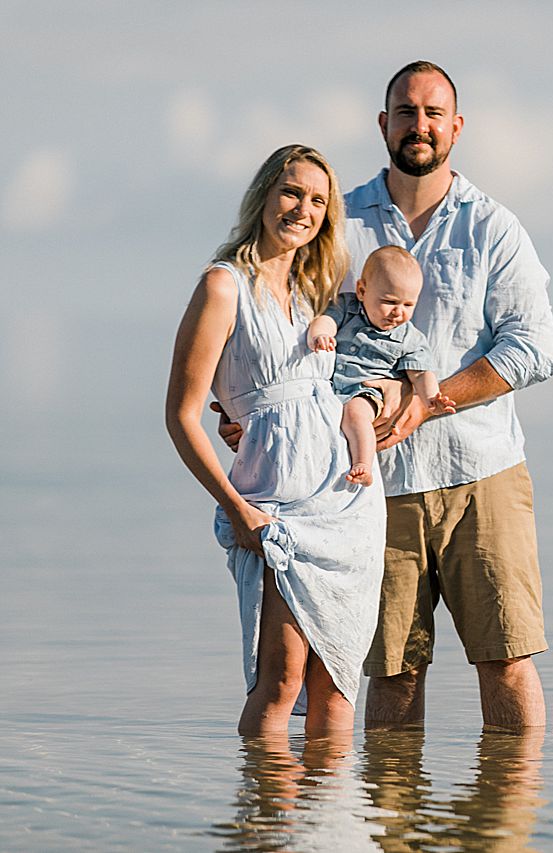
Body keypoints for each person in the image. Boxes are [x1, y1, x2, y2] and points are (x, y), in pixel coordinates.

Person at [347, 59, 553, 731]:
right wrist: (244, 410)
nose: (420, 124)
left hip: (482, 473)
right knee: (392, 669)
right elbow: (297, 332)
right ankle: (392, 831)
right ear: (384, 124)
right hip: (377, 485)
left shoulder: (493, 227)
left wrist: (430, 402)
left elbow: (533, 348)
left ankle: (504, 826)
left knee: (507, 658)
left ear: (456, 127)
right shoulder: (343, 222)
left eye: (434, 113)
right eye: (406, 111)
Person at [166, 144, 386, 736]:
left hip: (347, 504)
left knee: (337, 687)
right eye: (292, 192)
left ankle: (334, 828)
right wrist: (235, 510)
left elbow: (381, 361)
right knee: (282, 679)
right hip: (274, 507)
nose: (302, 209)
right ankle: (264, 825)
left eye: (319, 200)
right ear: (264, 194)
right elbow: (182, 414)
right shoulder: (222, 286)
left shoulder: (322, 296)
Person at [306, 245, 456, 487]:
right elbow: (326, 320)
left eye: (408, 305)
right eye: (389, 302)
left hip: (367, 391)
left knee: (356, 413)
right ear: (362, 290)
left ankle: (362, 463)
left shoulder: (410, 337)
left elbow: (420, 373)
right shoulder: (348, 307)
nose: (398, 312)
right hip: (328, 388)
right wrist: (319, 335)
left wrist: (431, 398)